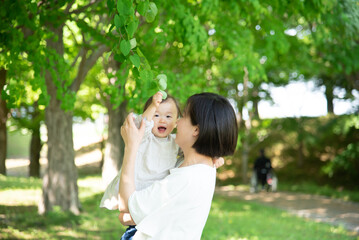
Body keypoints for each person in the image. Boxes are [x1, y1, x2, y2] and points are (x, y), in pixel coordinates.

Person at [99, 92, 224, 239]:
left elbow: (128, 211)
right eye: (157, 115)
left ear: (196, 129)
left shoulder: (183, 166)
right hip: (138, 196)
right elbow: (142, 125)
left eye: (178, 117)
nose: (175, 122)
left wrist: (215, 156)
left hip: (137, 210)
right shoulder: (147, 139)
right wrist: (153, 105)